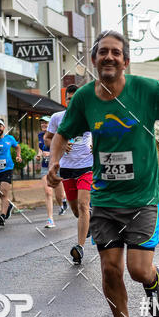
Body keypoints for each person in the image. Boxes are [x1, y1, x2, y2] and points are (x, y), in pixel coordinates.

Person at [47, 30, 159, 317]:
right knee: (109, 269)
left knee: (137, 269)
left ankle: (153, 280)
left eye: (116, 53)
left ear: (125, 61)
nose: (109, 57)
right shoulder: (85, 98)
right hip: (104, 199)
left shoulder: (145, 90)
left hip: (142, 197)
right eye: (103, 52)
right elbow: (61, 135)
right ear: (93, 59)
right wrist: (54, 162)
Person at [45, 85, 93, 264]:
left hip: (87, 165)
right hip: (66, 168)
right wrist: (61, 145)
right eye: (69, 98)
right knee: (75, 209)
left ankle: (79, 247)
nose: (72, 101)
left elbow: (101, 133)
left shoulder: (89, 116)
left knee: (82, 205)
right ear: (66, 100)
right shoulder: (58, 118)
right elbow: (47, 138)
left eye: (75, 98)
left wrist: (98, 144)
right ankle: (87, 222)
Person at [36, 116, 66, 228]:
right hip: (45, 167)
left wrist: (51, 154)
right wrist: (39, 155)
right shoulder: (40, 135)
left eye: (46, 123)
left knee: (60, 195)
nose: (43, 125)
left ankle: (63, 202)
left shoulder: (56, 135)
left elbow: (63, 148)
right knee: (48, 192)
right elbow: (41, 148)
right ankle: (50, 219)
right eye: (42, 123)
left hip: (57, 167)